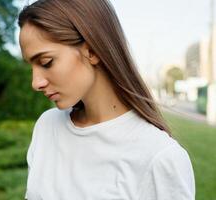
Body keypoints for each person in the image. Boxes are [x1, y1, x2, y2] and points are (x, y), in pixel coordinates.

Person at [18, 0, 195, 199]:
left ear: (91, 51)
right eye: (31, 66)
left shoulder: (160, 157)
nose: (36, 82)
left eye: (46, 62)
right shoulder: (47, 126)